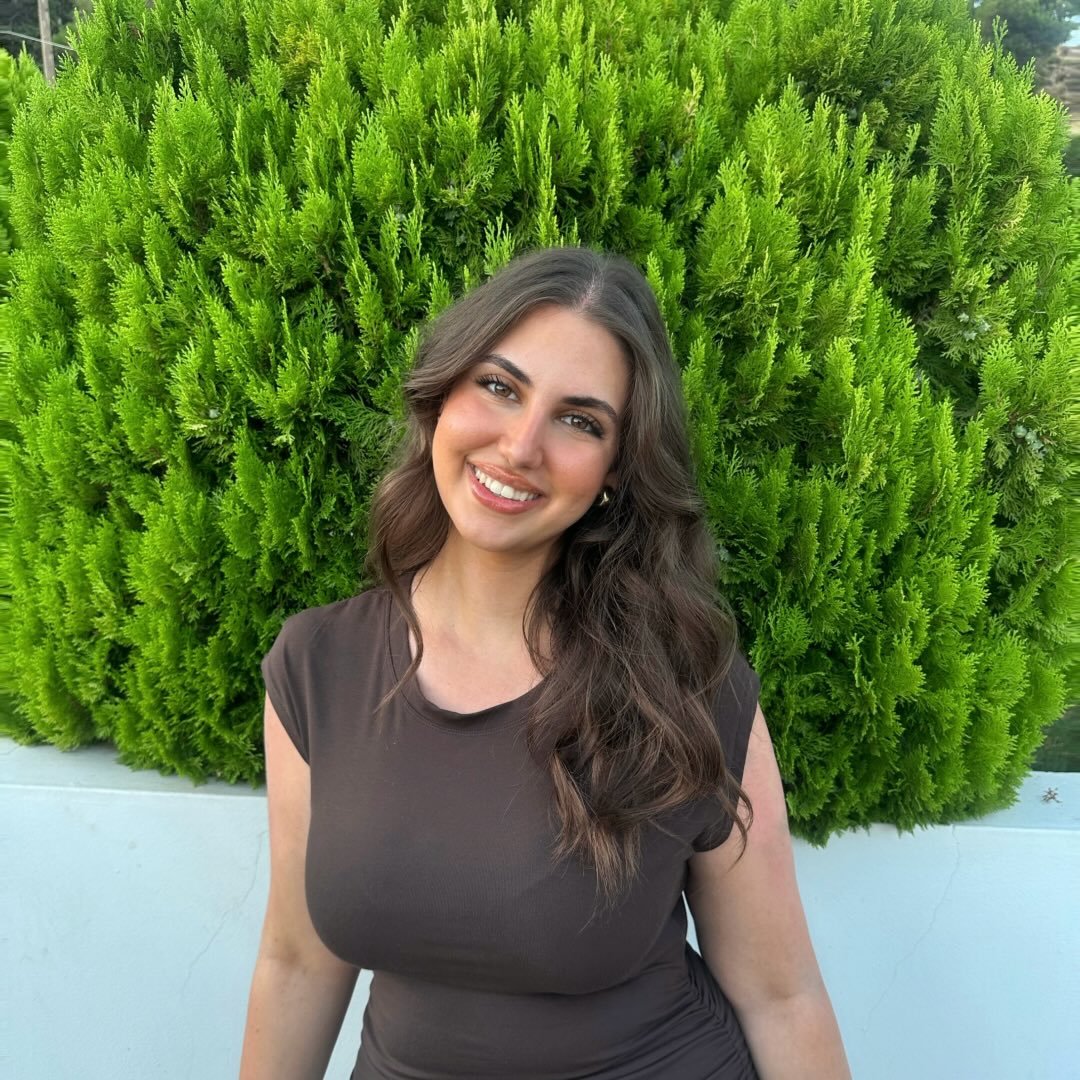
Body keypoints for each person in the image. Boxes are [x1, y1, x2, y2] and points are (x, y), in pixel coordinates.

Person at [239, 247, 850, 1079]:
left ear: (614, 471)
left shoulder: (682, 685)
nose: (521, 445)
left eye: (580, 421)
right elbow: (297, 964)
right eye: (499, 386)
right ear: (442, 397)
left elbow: (782, 996)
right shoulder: (319, 666)